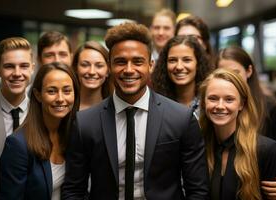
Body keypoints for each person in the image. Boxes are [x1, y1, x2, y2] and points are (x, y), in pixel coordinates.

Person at [62, 22, 209, 200]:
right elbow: (73, 190)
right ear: (109, 66)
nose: (129, 70)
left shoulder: (182, 119)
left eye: (138, 62)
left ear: (151, 65)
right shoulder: (85, 122)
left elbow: (198, 190)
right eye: (120, 62)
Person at [0, 62, 80, 200]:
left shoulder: (74, 134)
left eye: (67, 91)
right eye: (51, 91)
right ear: (38, 95)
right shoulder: (18, 145)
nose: (60, 99)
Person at [199, 68, 276, 200]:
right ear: (203, 102)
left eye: (229, 99)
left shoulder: (266, 150)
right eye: (213, 98)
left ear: (241, 104)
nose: (220, 106)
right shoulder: (197, 146)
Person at [0, 37, 35, 199]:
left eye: (24, 66)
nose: (17, 73)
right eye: (9, 66)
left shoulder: (43, 113)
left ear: (32, 68)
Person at [0, 31, 73, 103]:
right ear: (39, 60)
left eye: (62, 54)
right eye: (49, 55)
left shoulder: (82, 90)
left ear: (71, 57)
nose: (56, 60)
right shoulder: (27, 94)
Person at [216, 46, 276, 142]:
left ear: (249, 71)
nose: (230, 79)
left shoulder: (269, 106)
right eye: (224, 74)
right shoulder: (216, 106)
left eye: (236, 73)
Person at [152, 35, 211, 119]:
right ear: (165, 64)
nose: (179, 67)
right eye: (172, 60)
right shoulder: (156, 103)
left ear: (198, 63)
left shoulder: (209, 102)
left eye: (187, 60)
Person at [72, 41, 112, 110]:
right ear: (76, 68)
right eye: (85, 65)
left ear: (108, 71)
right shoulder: (65, 107)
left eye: (99, 66)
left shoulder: (115, 109)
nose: (92, 72)